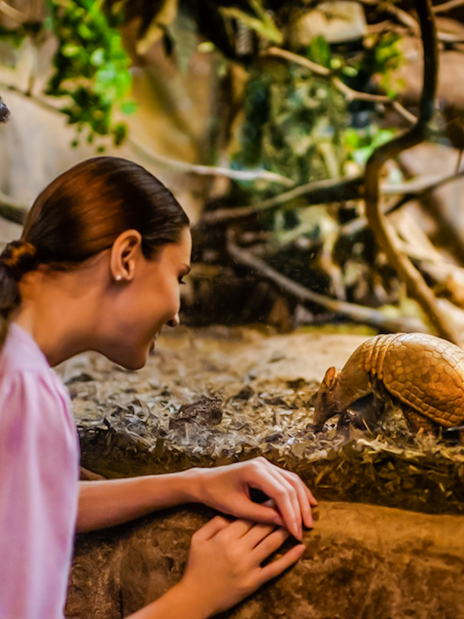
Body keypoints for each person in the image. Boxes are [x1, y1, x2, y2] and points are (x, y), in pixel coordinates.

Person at [0, 156, 317, 619]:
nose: (176, 313)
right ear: (126, 256)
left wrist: (193, 484)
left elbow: (30, 504)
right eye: (179, 276)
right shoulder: (26, 391)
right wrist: (195, 599)